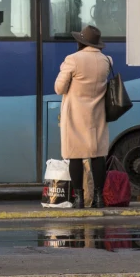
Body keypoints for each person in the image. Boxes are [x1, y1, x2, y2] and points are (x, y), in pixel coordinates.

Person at [54, 25, 111, 209]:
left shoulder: (73, 60)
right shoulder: (106, 61)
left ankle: (79, 199)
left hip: (75, 114)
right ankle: (99, 198)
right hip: (97, 114)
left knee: (75, 156)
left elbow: (59, 88)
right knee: (97, 155)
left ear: (80, 42)